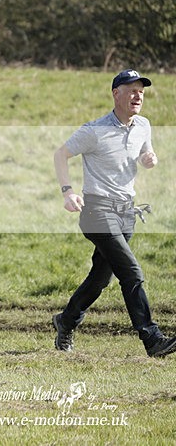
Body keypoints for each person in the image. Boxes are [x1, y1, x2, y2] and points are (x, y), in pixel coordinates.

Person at [52, 69, 176, 358]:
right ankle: (153, 339)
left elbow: (146, 155)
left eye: (141, 91)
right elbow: (60, 155)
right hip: (97, 211)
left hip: (126, 213)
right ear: (115, 94)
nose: (138, 95)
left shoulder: (143, 125)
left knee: (100, 278)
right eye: (131, 90)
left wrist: (150, 159)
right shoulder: (93, 131)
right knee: (132, 273)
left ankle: (65, 320)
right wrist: (68, 191)